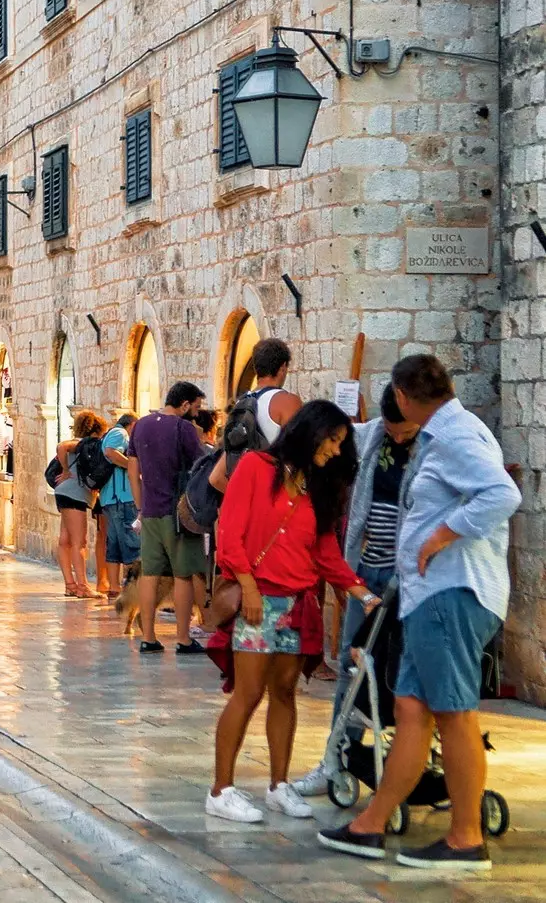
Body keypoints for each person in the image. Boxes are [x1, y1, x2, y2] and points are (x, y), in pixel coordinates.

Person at [320, 354, 520, 871]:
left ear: (404, 397)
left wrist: (442, 534)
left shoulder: (454, 437)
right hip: (428, 598)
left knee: (453, 716)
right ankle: (371, 824)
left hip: (453, 593)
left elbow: (502, 493)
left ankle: (466, 839)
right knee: (410, 710)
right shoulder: (443, 432)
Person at [206, 400, 371, 823]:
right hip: (258, 602)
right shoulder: (256, 467)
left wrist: (359, 592)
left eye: (341, 443)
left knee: (284, 694)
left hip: (299, 603)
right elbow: (230, 532)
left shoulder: (317, 485)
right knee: (247, 694)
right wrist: (248, 587)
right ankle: (220, 790)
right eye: (332, 440)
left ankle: (279, 786)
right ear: (310, 431)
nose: (336, 450)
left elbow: (325, 551)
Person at [292, 386, 420, 796]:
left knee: (400, 670)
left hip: (411, 580)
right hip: (369, 569)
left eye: (405, 432)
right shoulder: (367, 438)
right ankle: (336, 756)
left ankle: (402, 765)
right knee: (353, 663)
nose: (398, 439)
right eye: (392, 431)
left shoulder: (435, 448)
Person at [130, 381, 209, 653]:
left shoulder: (140, 425)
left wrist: (141, 506)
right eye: (196, 407)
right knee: (183, 575)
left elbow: (133, 468)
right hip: (177, 514)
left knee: (149, 574)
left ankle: (148, 637)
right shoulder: (183, 429)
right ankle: (184, 638)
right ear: (185, 404)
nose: (197, 414)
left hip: (150, 511)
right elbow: (201, 467)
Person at [52, 410, 103, 600]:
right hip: (74, 494)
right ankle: (82, 586)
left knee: (65, 541)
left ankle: (70, 585)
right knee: (79, 542)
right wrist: (65, 471)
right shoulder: (80, 444)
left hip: (64, 492)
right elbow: (62, 446)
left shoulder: (80, 446)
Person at [98, 414, 139, 597]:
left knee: (113, 544)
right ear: (132, 424)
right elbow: (110, 452)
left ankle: (114, 587)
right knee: (132, 542)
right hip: (122, 498)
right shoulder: (120, 433)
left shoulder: (109, 434)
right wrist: (132, 467)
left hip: (109, 499)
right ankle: (133, 589)